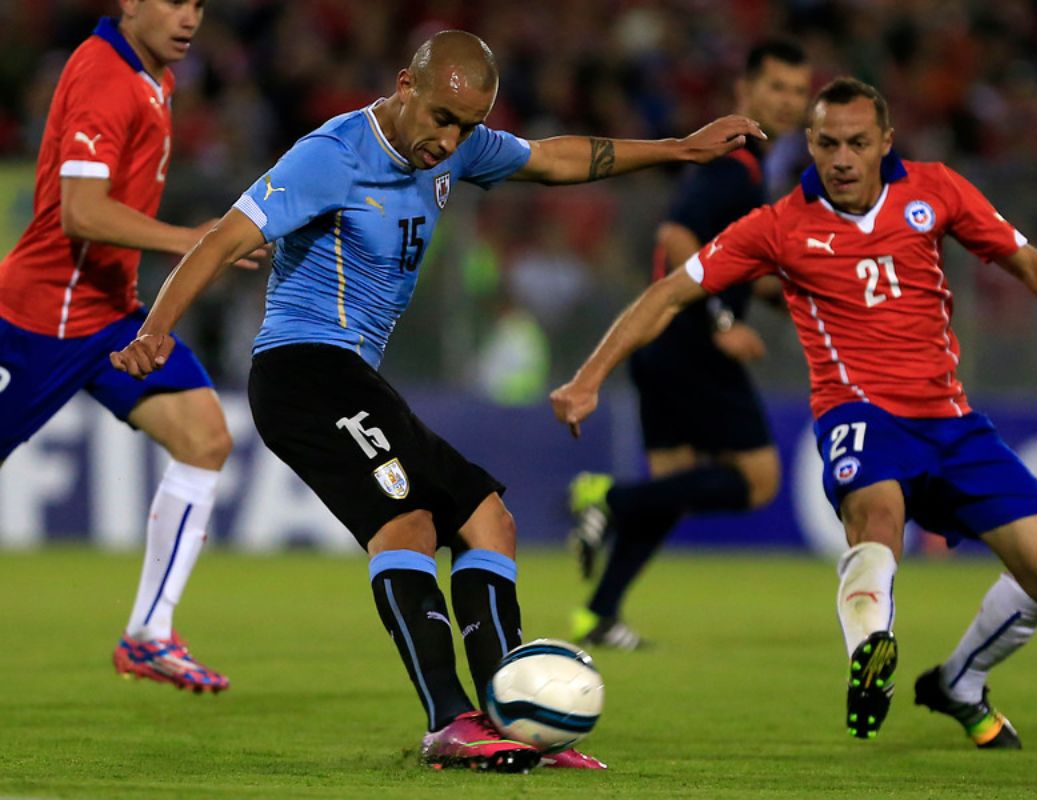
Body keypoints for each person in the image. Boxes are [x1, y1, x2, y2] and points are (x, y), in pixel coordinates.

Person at [110, 30, 764, 771]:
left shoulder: (461, 145)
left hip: (352, 376)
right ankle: (450, 721)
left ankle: (510, 720)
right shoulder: (332, 155)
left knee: (492, 523)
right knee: (408, 522)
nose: (450, 140)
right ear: (405, 86)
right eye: (443, 119)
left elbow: (554, 158)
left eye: (468, 126)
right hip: (303, 372)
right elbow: (221, 240)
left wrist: (680, 148)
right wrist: (155, 332)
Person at [550, 77, 1037, 749]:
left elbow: (1024, 259)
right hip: (858, 413)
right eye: (828, 142)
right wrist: (588, 377)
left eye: (857, 143)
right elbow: (666, 294)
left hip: (950, 420)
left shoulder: (935, 190)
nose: (841, 158)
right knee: (878, 515)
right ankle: (872, 653)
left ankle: (959, 681)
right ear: (810, 143)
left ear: (884, 142)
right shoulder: (778, 226)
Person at [0, 0, 264, 694]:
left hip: (109, 315)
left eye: (199, 5)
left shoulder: (156, 74)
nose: (189, 18)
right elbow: (80, 213)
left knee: (206, 439)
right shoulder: (105, 76)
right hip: (40, 321)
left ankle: (150, 634)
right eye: (173, 1)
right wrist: (200, 243)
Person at [565, 39, 812, 650]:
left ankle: (598, 612)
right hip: (689, 340)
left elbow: (715, 256)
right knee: (757, 480)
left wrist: (768, 295)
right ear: (743, 93)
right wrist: (725, 324)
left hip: (661, 346)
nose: (788, 101)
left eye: (798, 91)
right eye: (776, 87)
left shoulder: (745, 172)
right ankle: (609, 497)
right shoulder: (737, 168)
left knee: (671, 487)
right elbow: (678, 239)